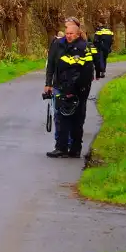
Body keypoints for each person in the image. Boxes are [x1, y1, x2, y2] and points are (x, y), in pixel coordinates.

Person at [43, 17, 96, 159]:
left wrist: (77, 89)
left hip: (80, 89)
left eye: (71, 33)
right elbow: (51, 65)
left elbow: (87, 71)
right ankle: (61, 147)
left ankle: (75, 148)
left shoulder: (85, 47)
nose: (68, 36)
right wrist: (48, 84)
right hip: (60, 86)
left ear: (78, 33)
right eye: (67, 33)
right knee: (60, 117)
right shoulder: (57, 44)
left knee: (77, 119)